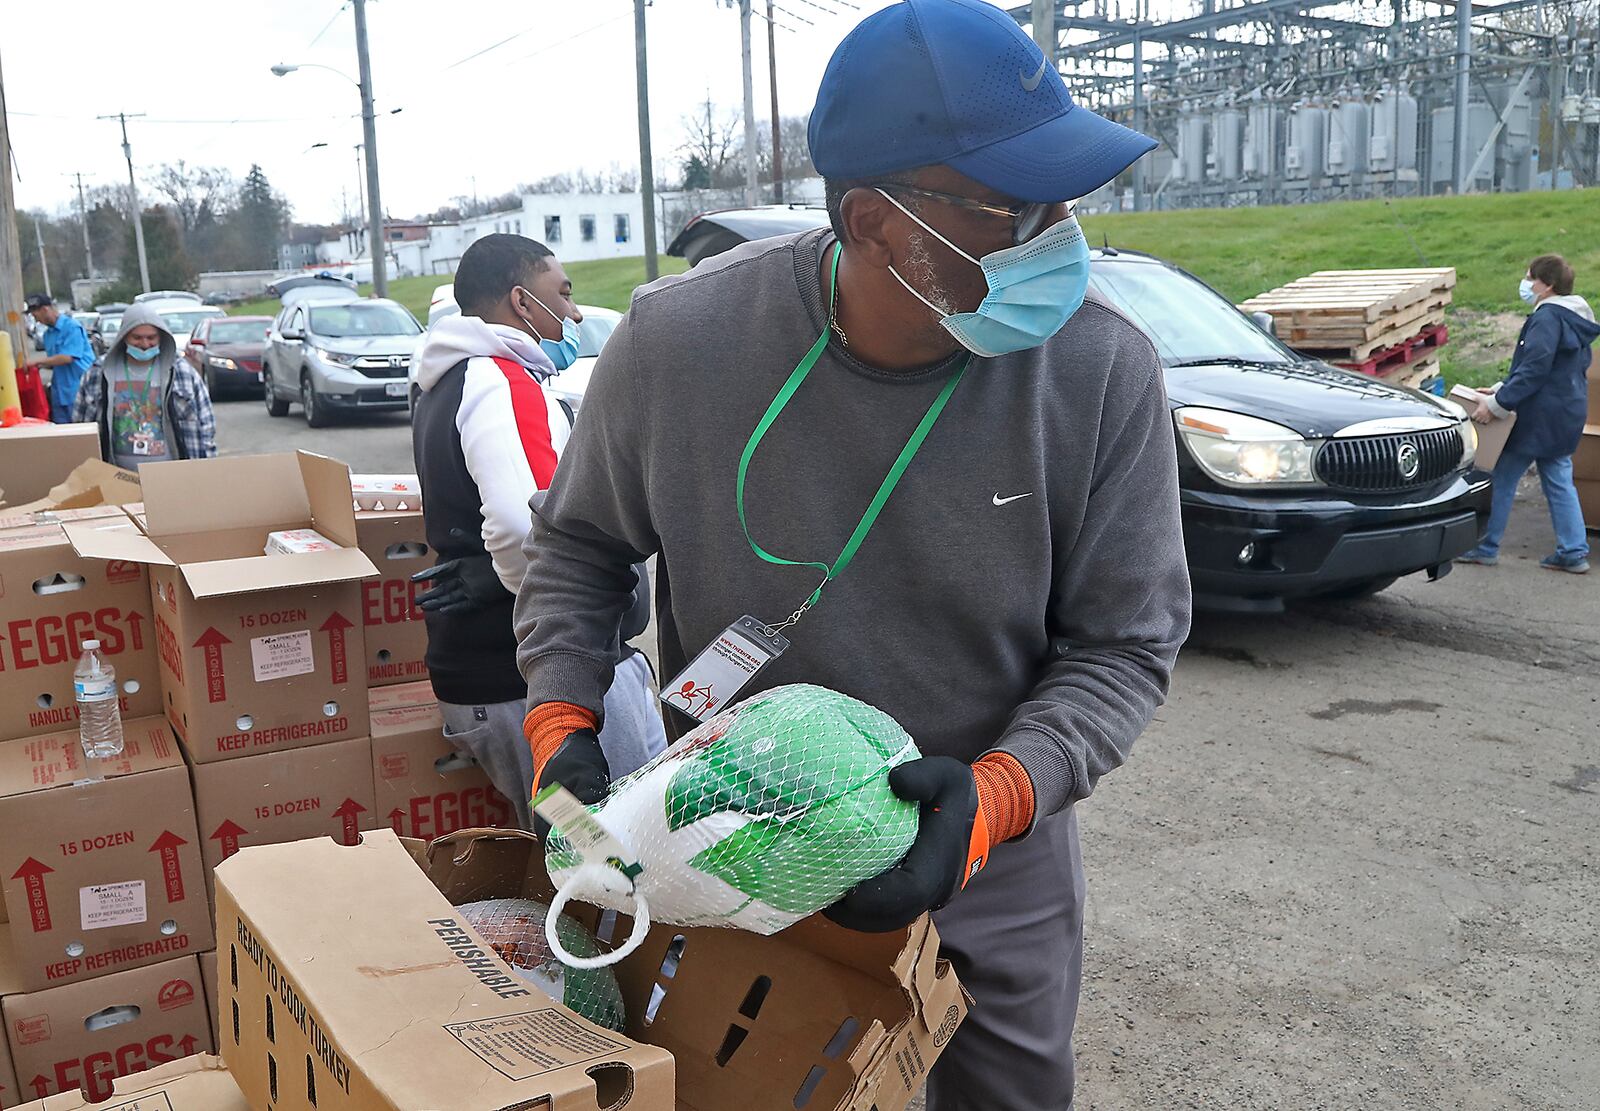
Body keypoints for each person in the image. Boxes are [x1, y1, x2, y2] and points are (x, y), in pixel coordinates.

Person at [513, 1, 1190, 1106]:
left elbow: (1124, 644)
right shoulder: (678, 346)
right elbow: (580, 549)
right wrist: (560, 721)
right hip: (732, 840)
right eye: (1014, 206)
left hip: (985, 848)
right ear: (877, 221)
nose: (1058, 231)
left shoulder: (1097, 369)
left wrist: (990, 805)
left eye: (1063, 198)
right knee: (758, 1085)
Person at [410, 233, 666, 832]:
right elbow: (529, 527)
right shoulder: (501, 381)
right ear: (523, 302)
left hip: (488, 676)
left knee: (570, 855)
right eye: (565, 293)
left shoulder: (443, 380)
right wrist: (566, 610)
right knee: (627, 858)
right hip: (540, 680)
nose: (575, 313)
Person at [1458, 254, 1597, 574]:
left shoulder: (1547, 318)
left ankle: (1486, 545)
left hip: (1537, 416)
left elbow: (1534, 370)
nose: (1525, 284)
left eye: (1529, 278)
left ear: (1546, 285)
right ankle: (1573, 551)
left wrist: (1496, 405)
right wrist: (1500, 388)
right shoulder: (1574, 318)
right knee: (1560, 479)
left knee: (1502, 477)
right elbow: (1553, 369)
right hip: (1567, 411)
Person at [72, 303, 216, 466]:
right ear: (124, 336)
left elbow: (206, 425)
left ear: (161, 336)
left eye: (151, 337)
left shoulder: (182, 373)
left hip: (171, 474)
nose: (145, 344)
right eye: (137, 338)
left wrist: (206, 469)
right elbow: (80, 424)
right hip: (115, 476)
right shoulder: (98, 372)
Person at [24, 293, 96, 422]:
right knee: (62, 433)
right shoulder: (48, 335)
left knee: (80, 432)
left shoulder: (72, 327)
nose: (36, 320)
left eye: (35, 316)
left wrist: (36, 361)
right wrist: (37, 366)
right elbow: (54, 361)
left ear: (45, 310)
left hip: (79, 389)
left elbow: (67, 357)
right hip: (60, 391)